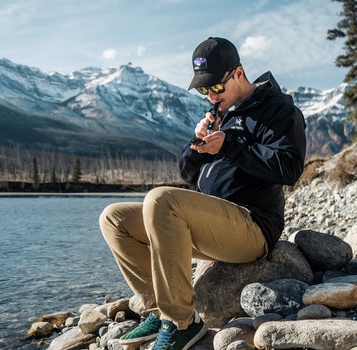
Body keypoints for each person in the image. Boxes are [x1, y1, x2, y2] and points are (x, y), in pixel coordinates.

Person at [99, 36, 306, 350]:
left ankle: (182, 324)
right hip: (210, 223)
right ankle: (160, 310)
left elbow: (289, 169)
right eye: (203, 89)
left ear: (238, 73)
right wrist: (197, 147)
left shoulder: (278, 109)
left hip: (252, 226)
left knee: (160, 199)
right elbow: (189, 174)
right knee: (113, 218)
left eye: (215, 87)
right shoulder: (222, 113)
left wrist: (231, 145)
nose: (210, 95)